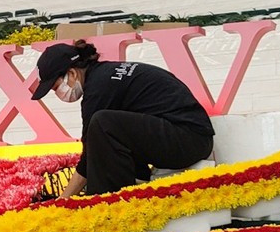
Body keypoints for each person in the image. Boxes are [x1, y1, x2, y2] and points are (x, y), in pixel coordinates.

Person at [33, 40, 215, 196]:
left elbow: (89, 156)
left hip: (188, 140)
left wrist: (65, 201)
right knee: (111, 129)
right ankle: (135, 185)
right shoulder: (106, 75)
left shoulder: (99, 88)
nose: (58, 93)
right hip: (191, 137)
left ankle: (104, 205)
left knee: (102, 124)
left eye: (55, 87)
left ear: (72, 73)